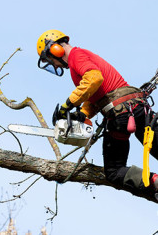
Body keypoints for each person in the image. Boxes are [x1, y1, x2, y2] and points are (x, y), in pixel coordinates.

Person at [37, 29, 158, 199]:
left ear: (55, 49)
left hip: (120, 115)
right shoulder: (82, 58)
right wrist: (83, 113)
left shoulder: (76, 57)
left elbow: (94, 78)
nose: (56, 66)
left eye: (51, 61)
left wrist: (67, 105)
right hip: (137, 108)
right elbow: (96, 94)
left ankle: (154, 182)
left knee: (114, 171)